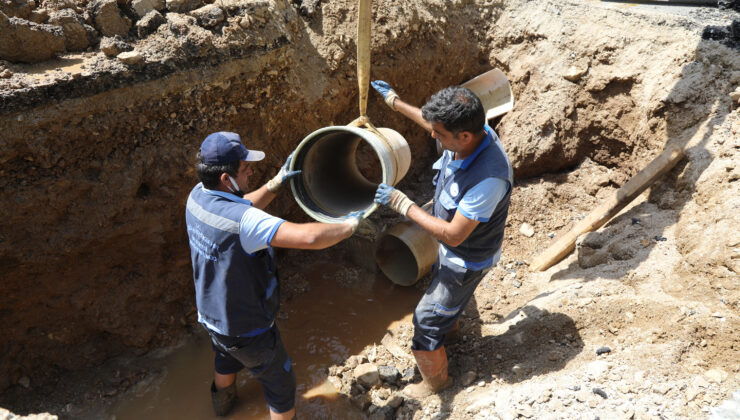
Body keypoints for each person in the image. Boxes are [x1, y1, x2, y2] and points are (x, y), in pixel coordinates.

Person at [185, 131, 362, 418]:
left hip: (212, 316)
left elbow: (239, 209)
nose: (251, 171)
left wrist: (274, 184)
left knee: (225, 358)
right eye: (244, 168)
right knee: (280, 382)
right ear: (224, 179)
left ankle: (222, 408)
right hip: (249, 328)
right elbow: (309, 238)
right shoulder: (243, 223)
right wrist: (351, 225)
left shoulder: (197, 196)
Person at [370, 81, 514, 398]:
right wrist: (395, 102)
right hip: (450, 252)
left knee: (425, 324)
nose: (432, 136)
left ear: (463, 136)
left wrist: (402, 204)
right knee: (445, 306)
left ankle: (436, 384)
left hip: (466, 259)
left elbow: (454, 233)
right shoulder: (472, 135)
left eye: (440, 134)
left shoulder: (488, 178)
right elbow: (432, 123)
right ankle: (452, 331)